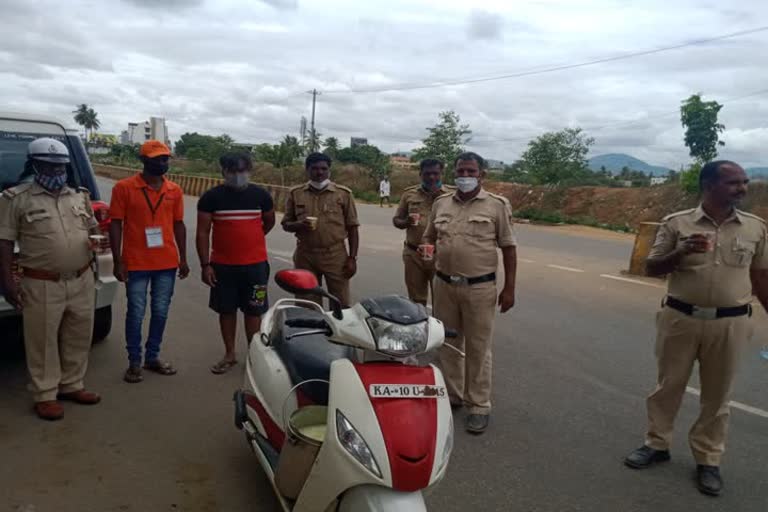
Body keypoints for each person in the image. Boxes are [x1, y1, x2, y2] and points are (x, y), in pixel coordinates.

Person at [624, 160, 768, 497]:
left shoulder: (756, 228)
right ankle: (656, 444)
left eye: (744, 182)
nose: (742, 188)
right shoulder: (677, 223)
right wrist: (680, 251)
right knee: (668, 387)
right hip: (680, 319)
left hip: (731, 322)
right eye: (733, 183)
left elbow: (761, 278)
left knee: (718, 396)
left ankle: (708, 459)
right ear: (709, 185)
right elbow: (652, 267)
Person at [0, 138, 101, 420]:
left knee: (79, 335)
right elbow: (4, 242)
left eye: (60, 167)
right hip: (41, 282)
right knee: (42, 339)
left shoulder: (78, 197)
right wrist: (7, 280)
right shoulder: (16, 199)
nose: (56, 172)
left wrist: (97, 246)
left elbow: (93, 229)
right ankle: (45, 394)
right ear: (34, 165)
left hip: (81, 277)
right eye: (48, 166)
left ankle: (72, 384)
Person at [423, 152, 517, 434]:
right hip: (443, 285)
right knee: (448, 344)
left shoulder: (497, 206)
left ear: (482, 175)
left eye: (471, 171)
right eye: (461, 171)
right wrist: (427, 247)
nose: (465, 176)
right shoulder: (441, 203)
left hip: (480, 287)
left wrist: (509, 288)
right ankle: (453, 396)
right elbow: (429, 235)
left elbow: (509, 248)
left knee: (478, 346)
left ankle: (479, 404)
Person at [108, 140, 190, 384]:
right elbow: (115, 224)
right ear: (144, 161)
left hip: (166, 262)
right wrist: (117, 260)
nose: (163, 163)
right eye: (158, 159)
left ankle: (152, 357)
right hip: (135, 262)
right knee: (135, 312)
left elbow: (178, 224)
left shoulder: (174, 190)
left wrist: (183, 259)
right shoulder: (124, 188)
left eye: (165, 158)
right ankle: (134, 361)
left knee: (161, 311)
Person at [196, 152, 275, 374]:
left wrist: (251, 241)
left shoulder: (261, 196)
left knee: (254, 311)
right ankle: (229, 354)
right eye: (233, 171)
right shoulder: (211, 198)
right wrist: (205, 265)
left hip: (257, 268)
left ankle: (253, 355)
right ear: (224, 172)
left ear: (249, 171)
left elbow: (268, 222)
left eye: (242, 170)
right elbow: (203, 233)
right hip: (223, 267)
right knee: (226, 310)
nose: (238, 175)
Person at [282, 153, 359, 307]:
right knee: (306, 303)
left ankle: (338, 331)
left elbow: (352, 227)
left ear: (329, 171)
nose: (319, 172)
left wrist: (352, 258)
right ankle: (313, 331)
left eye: (324, 169)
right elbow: (286, 224)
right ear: (307, 170)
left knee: (340, 303)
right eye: (314, 168)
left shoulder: (343, 194)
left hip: (335, 255)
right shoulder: (296, 193)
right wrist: (299, 225)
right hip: (305, 255)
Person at [392, 158, 454, 305]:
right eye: (427, 174)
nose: (431, 177)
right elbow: (396, 220)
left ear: (441, 174)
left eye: (435, 173)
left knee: (442, 300)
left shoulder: (452, 196)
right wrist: (406, 222)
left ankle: (439, 328)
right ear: (420, 174)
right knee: (416, 300)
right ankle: (420, 328)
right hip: (414, 255)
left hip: (440, 255)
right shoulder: (409, 194)